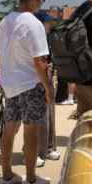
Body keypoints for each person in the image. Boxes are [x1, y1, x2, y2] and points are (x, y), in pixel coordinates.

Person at [0, 0, 52, 184]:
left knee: (9, 129)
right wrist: (48, 87)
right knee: (31, 131)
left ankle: (7, 175)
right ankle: (30, 179)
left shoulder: (4, 21)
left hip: (10, 84)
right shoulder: (33, 23)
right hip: (30, 83)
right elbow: (39, 62)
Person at [34, 11, 61, 162]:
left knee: (49, 115)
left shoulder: (47, 37)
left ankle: (49, 148)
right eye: (48, 23)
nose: (51, 25)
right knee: (40, 117)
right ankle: (35, 152)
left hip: (48, 76)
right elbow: (37, 62)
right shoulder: (35, 38)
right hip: (38, 80)